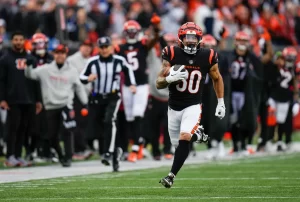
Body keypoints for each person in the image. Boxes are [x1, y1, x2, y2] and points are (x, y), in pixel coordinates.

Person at [156, 22, 225, 188]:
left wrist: (220, 102)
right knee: (178, 146)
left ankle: (171, 176)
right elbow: (158, 83)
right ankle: (197, 134)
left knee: (184, 137)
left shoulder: (208, 55)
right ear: (180, 38)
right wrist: (169, 79)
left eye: (194, 38)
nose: (191, 41)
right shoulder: (171, 53)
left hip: (193, 104)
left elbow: (217, 78)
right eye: (187, 37)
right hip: (173, 106)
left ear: (200, 39)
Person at [25, 44, 88, 167]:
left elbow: (79, 87)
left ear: (66, 55)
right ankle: (61, 156)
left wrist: (85, 103)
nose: (60, 55)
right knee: (51, 135)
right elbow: (30, 75)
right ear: (54, 54)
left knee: (67, 131)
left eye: (62, 53)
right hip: (51, 106)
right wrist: (27, 65)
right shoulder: (45, 69)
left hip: (66, 105)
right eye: (57, 53)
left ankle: (68, 157)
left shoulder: (72, 70)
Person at [80, 36, 136, 172]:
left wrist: (132, 84)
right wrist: (88, 78)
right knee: (97, 127)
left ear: (111, 48)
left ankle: (108, 152)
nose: (104, 50)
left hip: (113, 96)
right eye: (102, 47)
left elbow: (129, 70)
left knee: (109, 120)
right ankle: (115, 150)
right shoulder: (92, 61)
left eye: (106, 47)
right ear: (98, 48)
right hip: (98, 97)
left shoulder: (119, 60)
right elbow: (81, 77)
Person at [115, 14, 161, 162]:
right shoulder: (120, 48)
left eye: (133, 31)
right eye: (129, 31)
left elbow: (154, 39)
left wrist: (155, 28)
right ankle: (138, 142)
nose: (131, 34)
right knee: (129, 117)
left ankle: (135, 147)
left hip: (141, 84)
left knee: (137, 114)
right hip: (127, 85)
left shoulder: (143, 45)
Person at [0, 31, 41, 167]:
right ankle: (9, 156)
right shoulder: (5, 59)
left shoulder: (31, 58)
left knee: (24, 129)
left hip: (28, 99)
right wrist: (2, 99)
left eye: (20, 39)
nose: (18, 42)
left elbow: (36, 81)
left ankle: (18, 155)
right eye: (16, 39)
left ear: (25, 41)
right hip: (13, 100)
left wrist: (38, 100)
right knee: (12, 129)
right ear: (12, 41)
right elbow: (1, 81)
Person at [227, 31, 263, 155]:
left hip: (246, 93)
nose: (242, 43)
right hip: (232, 92)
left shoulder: (251, 57)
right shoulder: (230, 56)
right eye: (240, 40)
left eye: (245, 41)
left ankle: (244, 143)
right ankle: (235, 144)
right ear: (236, 42)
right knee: (233, 119)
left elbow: (259, 69)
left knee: (245, 118)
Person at [25, 33, 54, 163]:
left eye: (42, 43)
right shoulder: (30, 58)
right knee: (33, 127)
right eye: (37, 44)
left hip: (49, 95)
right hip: (33, 96)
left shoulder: (51, 58)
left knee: (48, 127)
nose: (40, 46)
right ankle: (31, 151)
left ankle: (46, 151)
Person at [268, 48, 299, 151]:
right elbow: (274, 57)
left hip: (285, 97)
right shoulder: (277, 65)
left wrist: (295, 96)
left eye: (292, 58)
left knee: (281, 120)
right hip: (273, 96)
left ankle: (280, 140)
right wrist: (278, 57)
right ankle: (268, 140)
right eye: (288, 57)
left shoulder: (293, 68)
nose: (290, 60)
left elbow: (295, 83)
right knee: (271, 120)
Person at [67, 39, 93, 160]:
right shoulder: (72, 60)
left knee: (83, 123)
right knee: (77, 123)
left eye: (89, 46)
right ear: (80, 47)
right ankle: (78, 149)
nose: (87, 49)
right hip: (75, 96)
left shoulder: (91, 60)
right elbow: (75, 81)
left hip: (87, 95)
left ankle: (81, 147)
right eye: (84, 46)